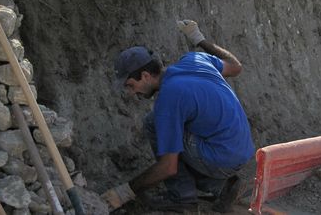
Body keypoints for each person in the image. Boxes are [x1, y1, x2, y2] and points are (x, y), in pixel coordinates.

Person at [102, 20, 255, 213]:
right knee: (174, 131)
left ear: (146, 75)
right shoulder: (196, 59)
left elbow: (168, 167)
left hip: (224, 157)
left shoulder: (169, 98)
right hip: (242, 148)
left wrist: (125, 191)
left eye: (131, 85)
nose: (132, 92)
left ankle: (182, 197)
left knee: (153, 123)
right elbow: (236, 66)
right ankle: (221, 187)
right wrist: (200, 39)